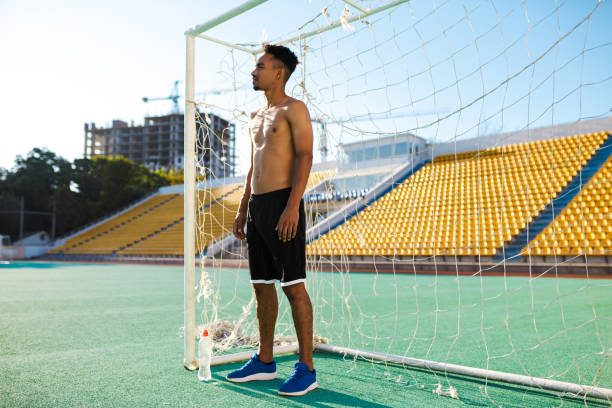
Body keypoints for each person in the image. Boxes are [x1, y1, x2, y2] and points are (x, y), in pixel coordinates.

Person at [226, 44, 317, 397]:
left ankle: (306, 368)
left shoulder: (295, 110)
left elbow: (306, 156)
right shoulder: (254, 117)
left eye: (259, 66)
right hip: (257, 207)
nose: (253, 72)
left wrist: (293, 206)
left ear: (278, 72)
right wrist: (242, 207)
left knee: (293, 286)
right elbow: (253, 166)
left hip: (283, 203)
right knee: (261, 285)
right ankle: (265, 361)